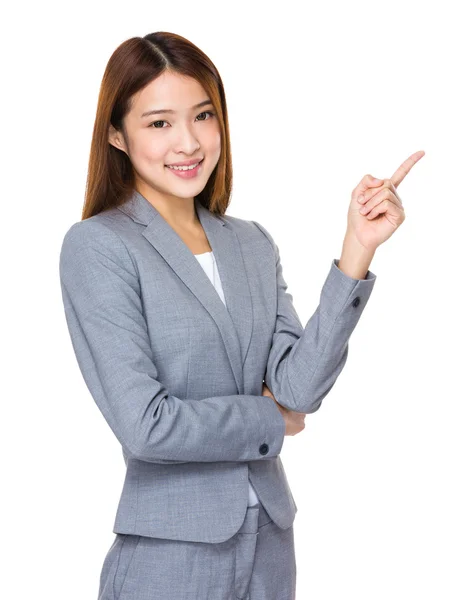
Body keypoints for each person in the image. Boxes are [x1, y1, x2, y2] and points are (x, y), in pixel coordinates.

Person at [59, 30, 424, 600]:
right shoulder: (98, 246)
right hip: (170, 555)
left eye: (203, 116)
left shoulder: (251, 243)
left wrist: (357, 250)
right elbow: (146, 424)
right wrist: (268, 420)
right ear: (116, 134)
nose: (188, 142)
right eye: (159, 123)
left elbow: (298, 388)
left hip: (271, 545)